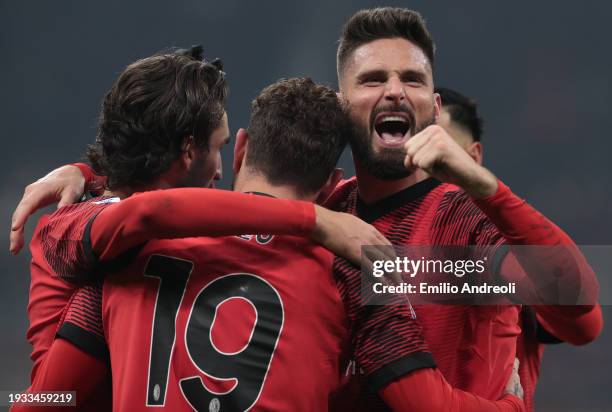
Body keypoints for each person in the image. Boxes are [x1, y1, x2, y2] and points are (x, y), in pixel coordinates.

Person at [13, 73, 526, 411]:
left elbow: (42, 401)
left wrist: (87, 174)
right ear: (332, 183)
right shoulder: (349, 269)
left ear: (240, 150)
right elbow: (425, 403)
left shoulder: (130, 251)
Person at [10, 47, 393, 412]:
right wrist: (316, 219)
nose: (222, 170)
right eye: (216, 147)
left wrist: (85, 173)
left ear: (244, 148)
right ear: (189, 150)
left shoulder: (152, 248)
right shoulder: (85, 232)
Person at [435, 86, 604, 412]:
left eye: (441, 146)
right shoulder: (377, 241)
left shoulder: (499, 245)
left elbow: (586, 323)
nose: (426, 155)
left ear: (472, 159)